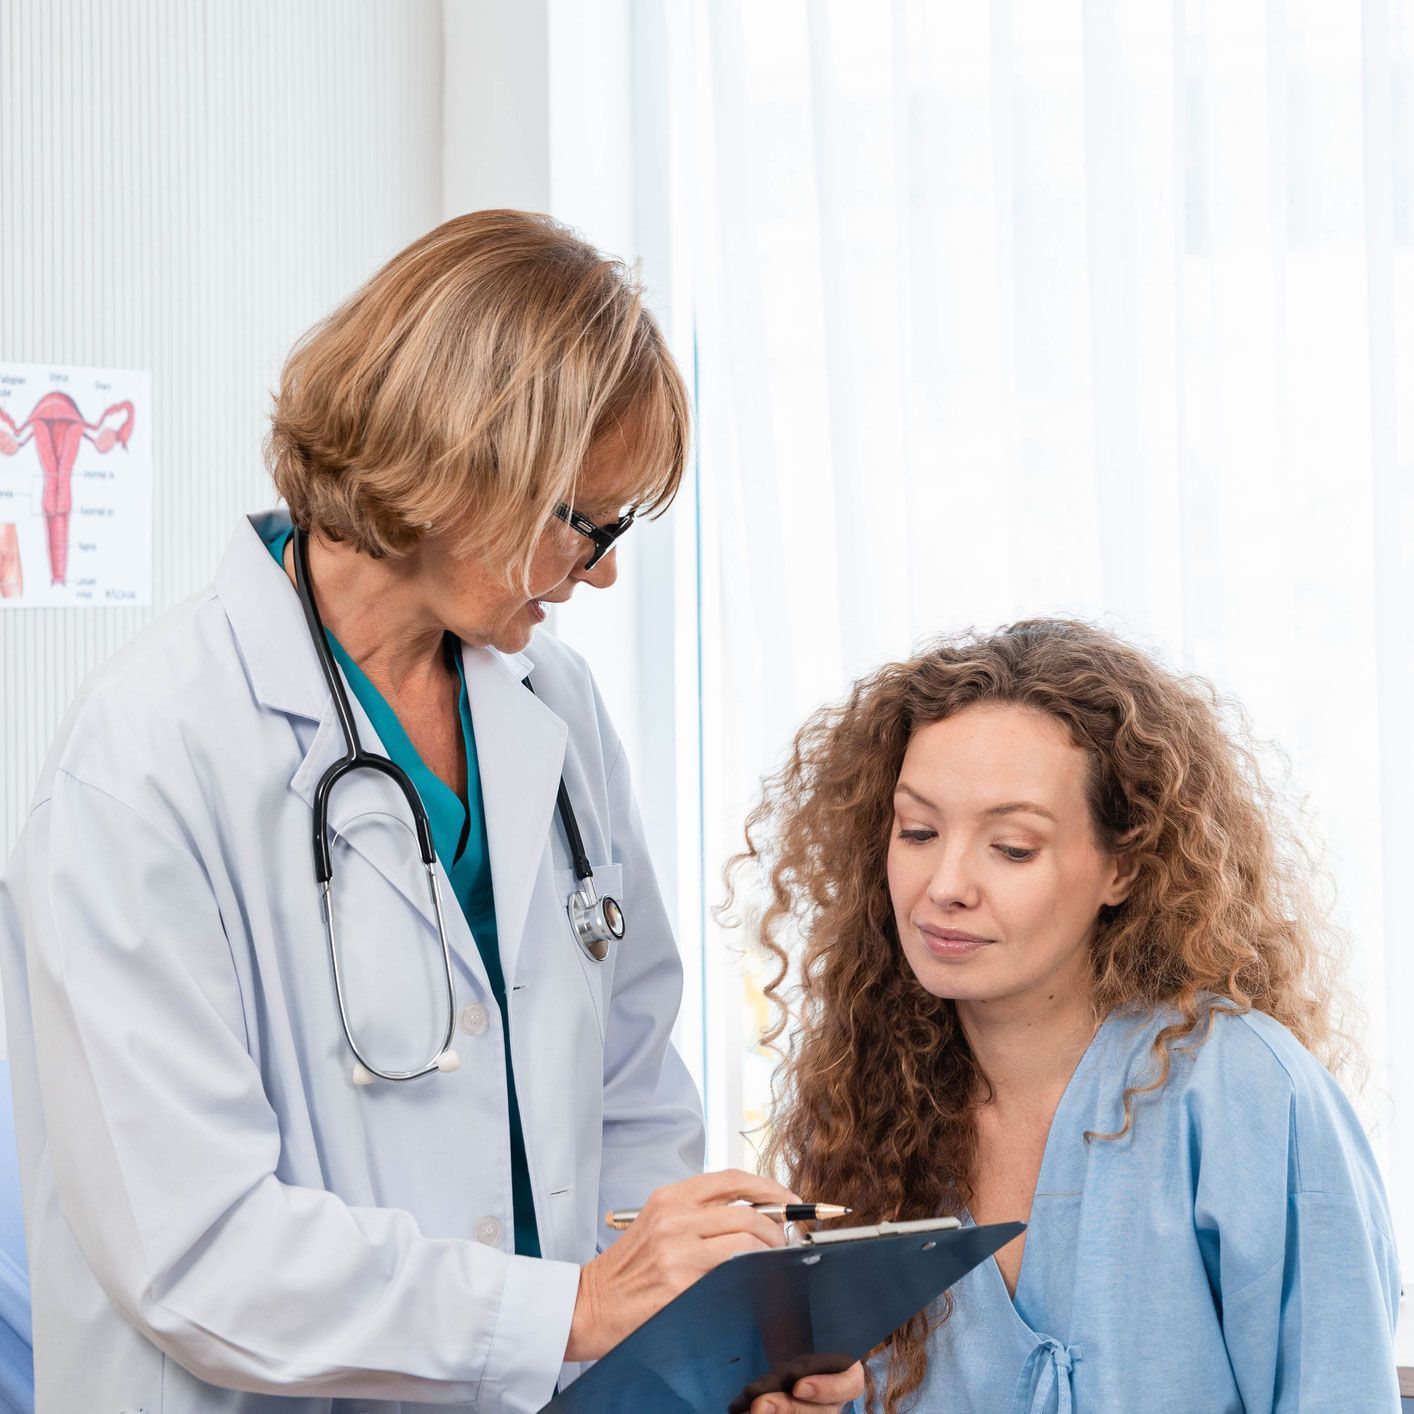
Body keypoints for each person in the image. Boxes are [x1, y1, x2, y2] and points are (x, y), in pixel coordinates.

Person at [0, 211, 861, 1414]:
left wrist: (699, 1335)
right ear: (456, 469)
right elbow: (193, 1251)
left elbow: (629, 1087)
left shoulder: (546, 699)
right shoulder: (149, 758)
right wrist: (574, 1309)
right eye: (584, 521)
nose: (603, 569)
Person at [728, 619, 1400, 1413]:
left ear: (1123, 865)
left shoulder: (1243, 1090)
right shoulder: (867, 1112)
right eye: (917, 832)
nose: (944, 884)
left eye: (1012, 848)